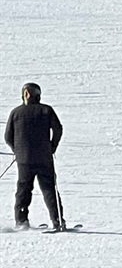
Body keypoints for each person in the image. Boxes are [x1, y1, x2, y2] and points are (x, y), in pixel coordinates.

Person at [4, 82, 65, 231]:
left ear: (25, 94)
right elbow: (58, 129)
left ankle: (21, 221)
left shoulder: (15, 112)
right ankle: (57, 220)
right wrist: (52, 146)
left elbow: (7, 136)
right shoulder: (46, 110)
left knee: (23, 190)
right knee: (49, 189)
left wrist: (17, 150)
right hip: (44, 157)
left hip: (24, 159)